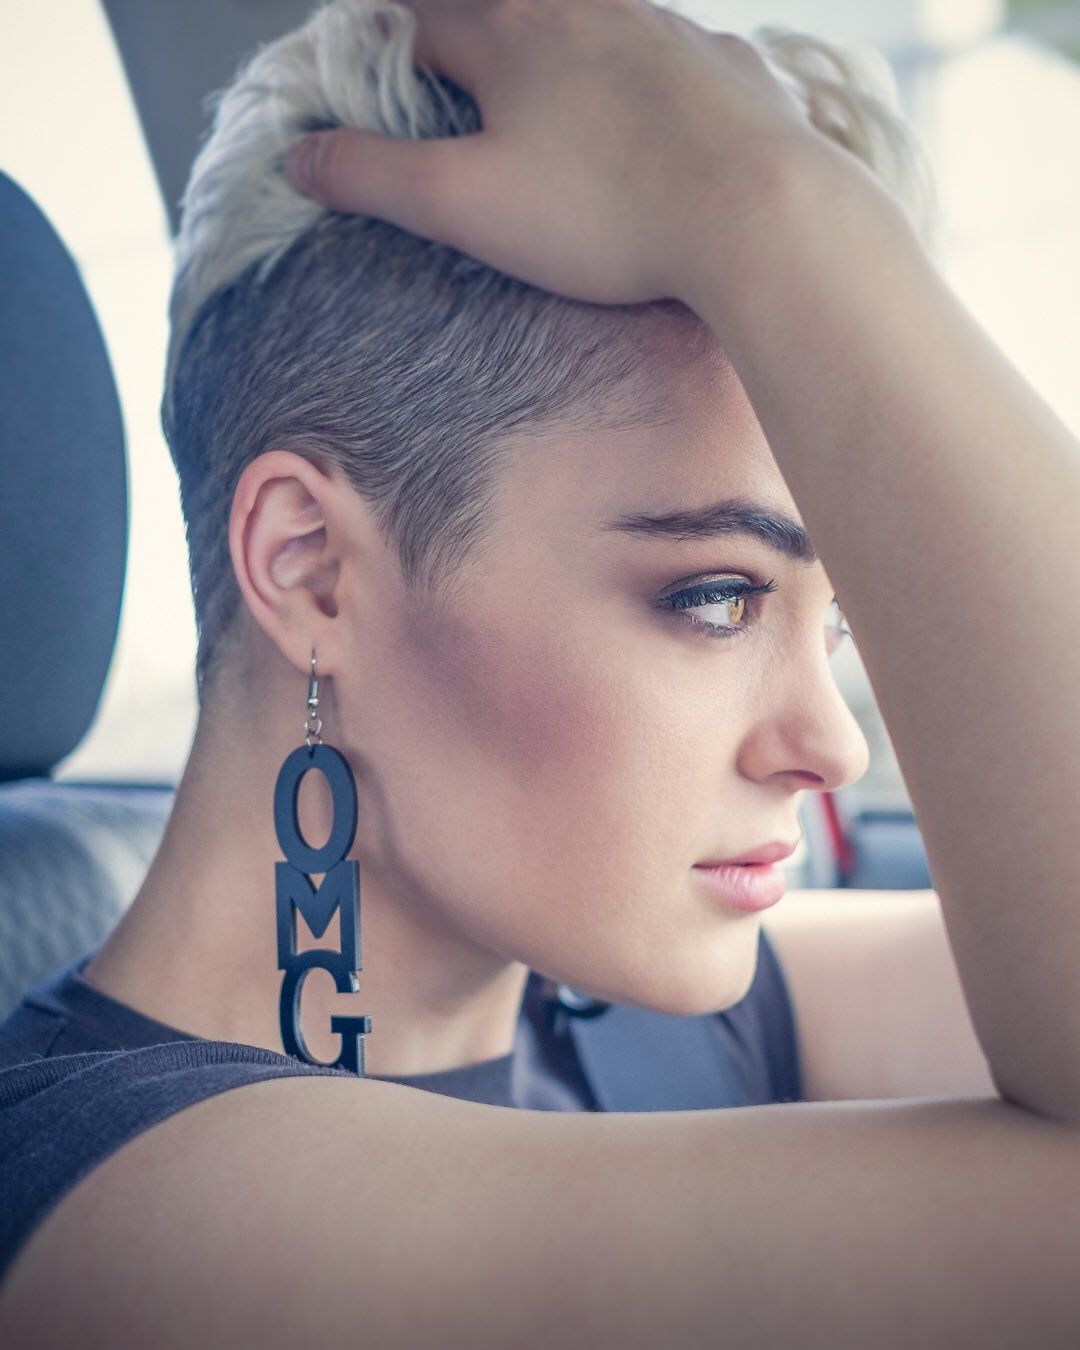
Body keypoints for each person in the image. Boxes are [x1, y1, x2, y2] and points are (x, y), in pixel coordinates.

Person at [2, 0, 1079, 1343]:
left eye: (844, 620)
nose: (833, 744)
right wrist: (767, 203)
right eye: (716, 598)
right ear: (311, 569)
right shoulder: (138, 1222)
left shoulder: (667, 1017)